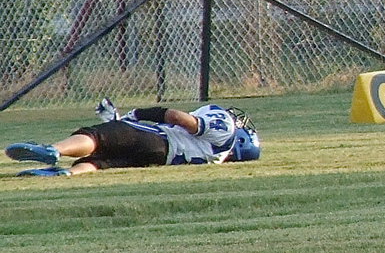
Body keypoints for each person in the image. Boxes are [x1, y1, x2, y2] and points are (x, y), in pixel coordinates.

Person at [5, 99, 260, 176]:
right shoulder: (212, 158)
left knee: (96, 137)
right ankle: (67, 174)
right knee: (101, 161)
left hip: (160, 140)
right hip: (159, 159)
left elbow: (179, 118)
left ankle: (53, 151)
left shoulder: (224, 127)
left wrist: (137, 114)